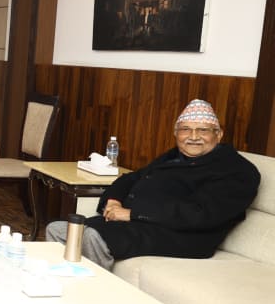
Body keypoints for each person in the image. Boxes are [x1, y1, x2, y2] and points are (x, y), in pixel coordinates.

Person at [45, 99, 260, 270]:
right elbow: (132, 178)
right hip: (140, 225)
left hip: (183, 236)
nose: (193, 137)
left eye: (203, 130)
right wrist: (113, 201)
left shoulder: (237, 170)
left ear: (219, 135)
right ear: (176, 134)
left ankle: (91, 295)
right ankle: (62, 285)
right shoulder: (175, 156)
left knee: (93, 236)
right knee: (59, 229)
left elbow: (199, 214)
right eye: (185, 129)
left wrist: (133, 214)